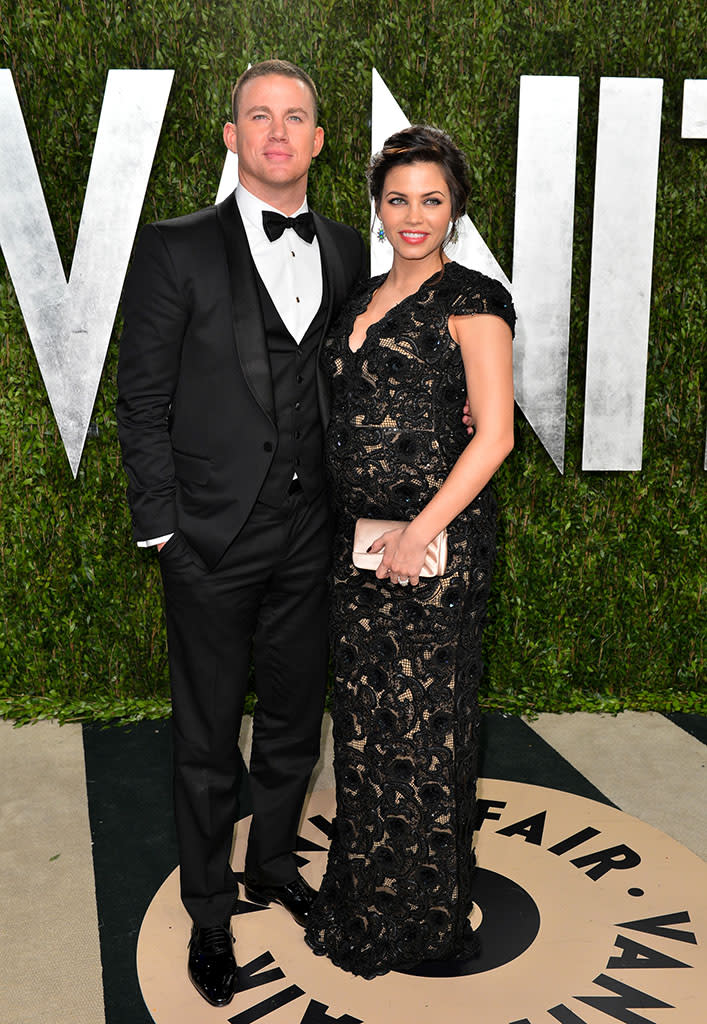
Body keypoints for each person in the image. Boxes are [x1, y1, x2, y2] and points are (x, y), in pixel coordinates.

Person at [117, 60, 366, 1007]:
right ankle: (210, 914)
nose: (275, 130)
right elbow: (139, 399)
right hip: (209, 542)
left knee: (296, 724)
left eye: (294, 116)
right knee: (205, 737)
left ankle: (271, 867)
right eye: (257, 116)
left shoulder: (344, 248)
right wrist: (161, 533)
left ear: (314, 140)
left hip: (313, 535)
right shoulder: (175, 247)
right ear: (232, 137)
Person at [304, 125, 515, 977]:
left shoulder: (473, 299)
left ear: (455, 208)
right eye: (398, 199)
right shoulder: (354, 301)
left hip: (434, 557)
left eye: (431, 199)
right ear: (378, 206)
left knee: (427, 731)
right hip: (355, 553)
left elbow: (493, 435)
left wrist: (418, 534)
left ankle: (422, 912)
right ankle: (365, 893)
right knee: (363, 725)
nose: (413, 215)